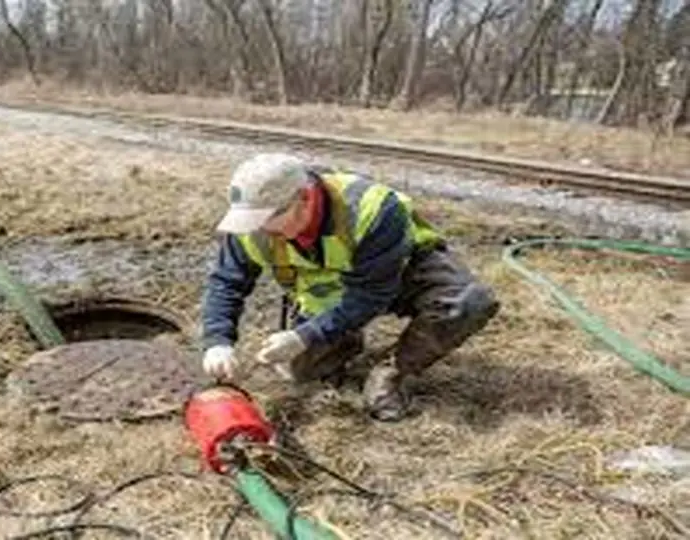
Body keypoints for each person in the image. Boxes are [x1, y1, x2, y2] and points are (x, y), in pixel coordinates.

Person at [199, 153, 500, 422]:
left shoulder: (373, 210)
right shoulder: (253, 223)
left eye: (268, 220)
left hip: (400, 272)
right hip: (330, 291)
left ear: (304, 197)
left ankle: (391, 371)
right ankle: (344, 344)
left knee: (467, 303)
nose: (261, 229)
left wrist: (305, 334)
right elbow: (227, 282)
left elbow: (372, 295)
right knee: (302, 371)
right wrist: (218, 341)